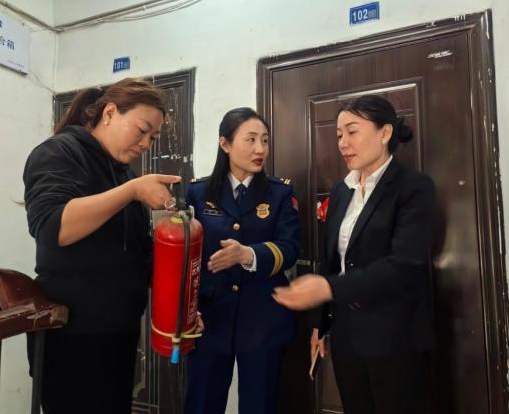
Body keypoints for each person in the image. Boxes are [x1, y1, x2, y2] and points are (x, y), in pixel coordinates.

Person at [23, 78, 201, 414]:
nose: (145, 143)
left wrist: (183, 306)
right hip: (72, 337)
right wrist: (132, 192)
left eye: (153, 138)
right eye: (142, 130)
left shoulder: (124, 176)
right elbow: (52, 228)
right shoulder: (59, 153)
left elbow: (141, 259)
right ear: (109, 113)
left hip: (119, 334)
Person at [273, 95, 434, 414]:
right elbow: (332, 261)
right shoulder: (341, 190)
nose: (343, 143)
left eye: (352, 131)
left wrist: (328, 288)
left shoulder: (413, 188)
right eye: (338, 135)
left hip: (396, 336)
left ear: (384, 133)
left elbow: (405, 265)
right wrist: (322, 324)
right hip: (348, 335)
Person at [184, 107, 300, 414]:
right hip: (209, 319)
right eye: (251, 139)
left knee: (259, 405)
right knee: (202, 403)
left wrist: (247, 255)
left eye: (265, 140)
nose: (260, 149)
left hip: (263, 318)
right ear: (225, 143)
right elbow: (186, 257)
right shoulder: (198, 193)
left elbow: (290, 249)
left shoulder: (280, 193)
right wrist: (185, 311)